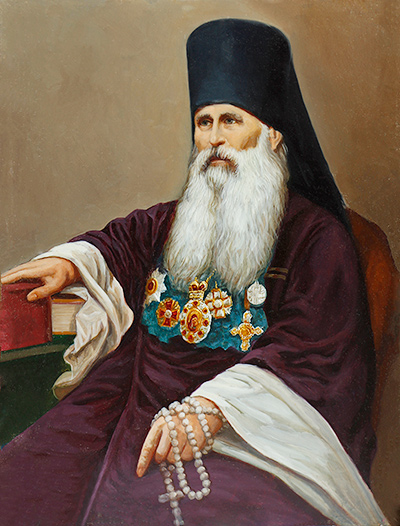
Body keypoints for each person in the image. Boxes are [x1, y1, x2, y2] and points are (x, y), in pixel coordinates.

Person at [0, 19, 389, 526]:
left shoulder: (317, 238)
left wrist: (212, 409)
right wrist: (70, 261)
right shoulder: (175, 219)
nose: (215, 139)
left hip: (247, 432)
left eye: (231, 121)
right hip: (137, 406)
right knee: (25, 480)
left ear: (272, 135)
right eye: (204, 123)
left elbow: (311, 352)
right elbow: (121, 240)